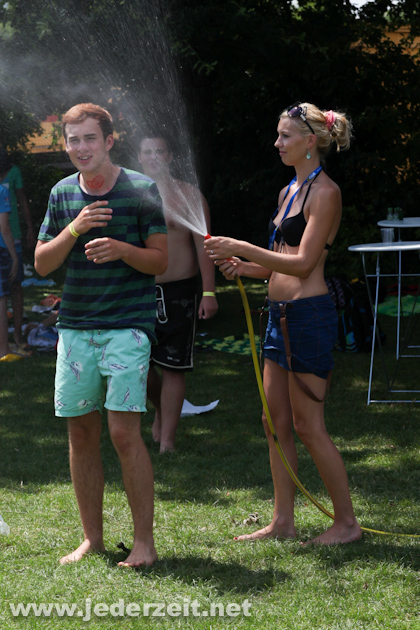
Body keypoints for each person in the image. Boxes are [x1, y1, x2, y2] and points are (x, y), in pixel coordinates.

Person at [204, 102, 362, 546]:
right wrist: (243, 266)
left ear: (310, 141)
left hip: (308, 318)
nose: (277, 143)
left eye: (285, 136)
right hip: (278, 317)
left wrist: (242, 247)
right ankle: (282, 522)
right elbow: (280, 261)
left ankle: (347, 523)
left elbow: (306, 263)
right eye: (278, 135)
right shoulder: (288, 190)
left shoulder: (326, 193)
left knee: (309, 426)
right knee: (273, 422)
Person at [35, 103, 168, 566]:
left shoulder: (141, 189)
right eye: (73, 139)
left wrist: (122, 249)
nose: (81, 148)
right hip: (75, 328)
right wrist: (74, 228)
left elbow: (160, 260)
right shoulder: (61, 193)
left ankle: (144, 543)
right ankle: (92, 539)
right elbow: (42, 263)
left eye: (89, 138)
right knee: (80, 433)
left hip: (128, 327)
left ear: (109, 141)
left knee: (123, 433)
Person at [138, 135, 218, 453]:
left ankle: (167, 442)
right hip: (140, 290)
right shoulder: (130, 195)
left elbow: (205, 246)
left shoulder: (189, 195)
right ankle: (161, 408)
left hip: (180, 291)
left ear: (169, 156)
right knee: (138, 366)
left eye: (160, 151)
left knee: (174, 366)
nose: (154, 157)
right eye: (147, 152)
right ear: (139, 158)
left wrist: (209, 292)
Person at [0, 145, 36, 352]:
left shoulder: (13, 172)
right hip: (4, 239)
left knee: (15, 284)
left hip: (13, 237)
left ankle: (17, 334)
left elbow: (22, 200)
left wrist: (30, 227)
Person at [0, 183, 19, 361]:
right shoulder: (2, 190)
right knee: (1, 300)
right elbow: (4, 227)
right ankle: (3, 350)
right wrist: (14, 256)